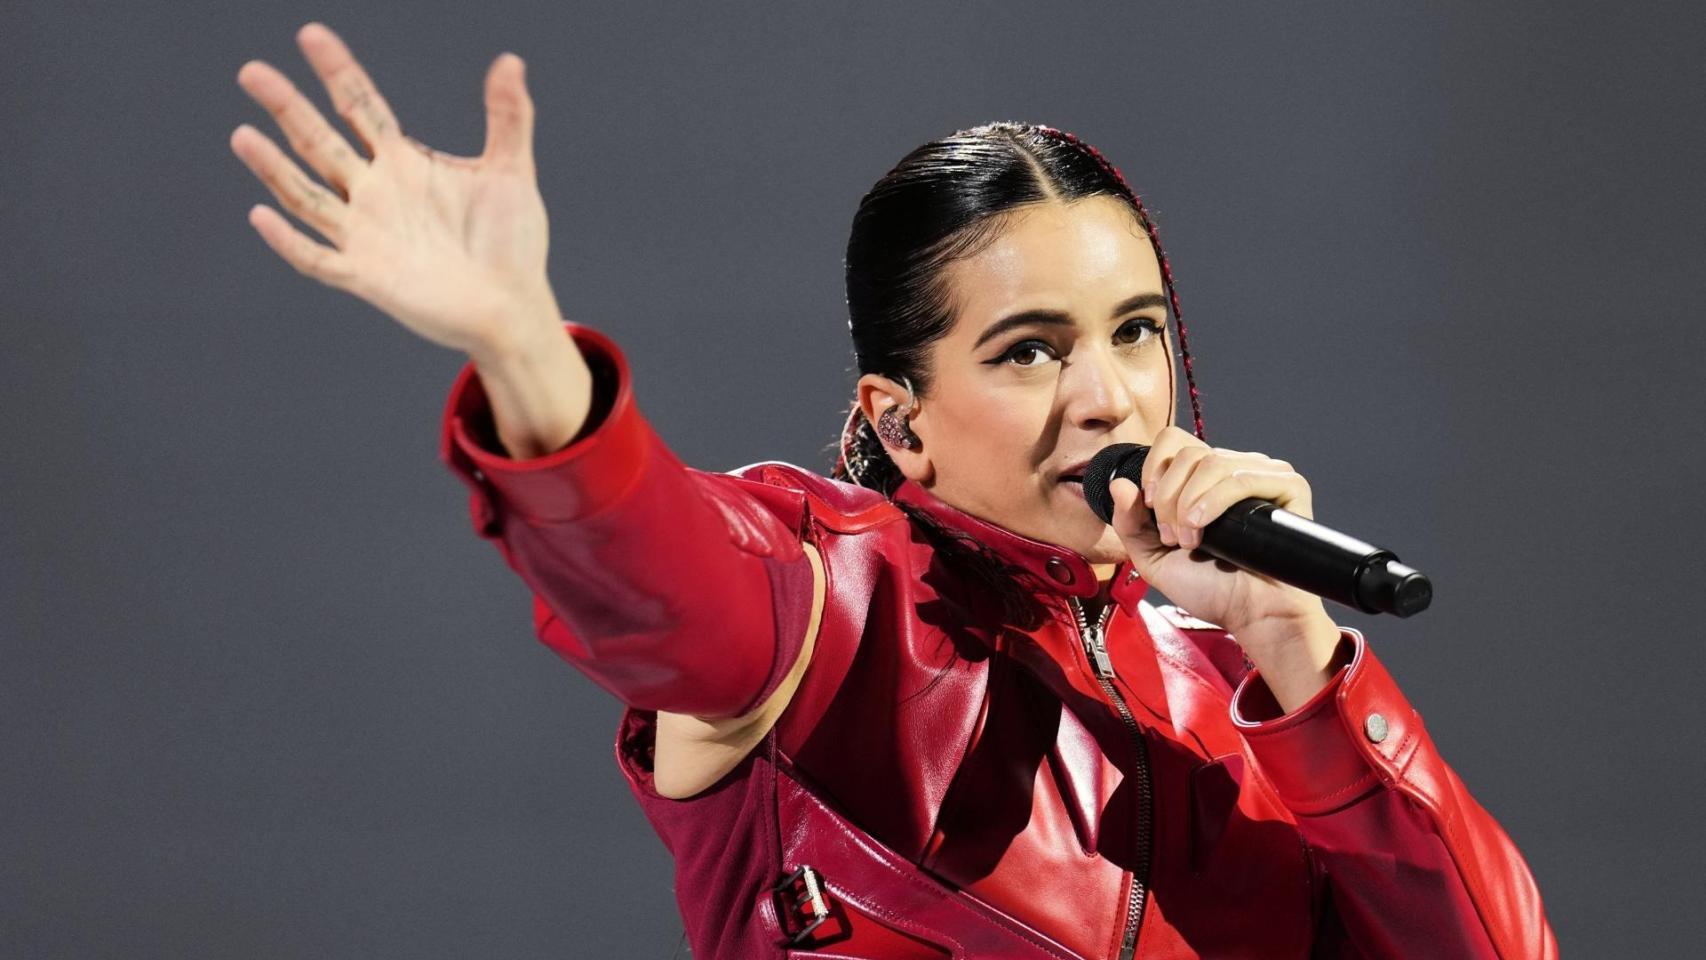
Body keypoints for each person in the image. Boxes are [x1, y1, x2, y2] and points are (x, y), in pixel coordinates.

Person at [232, 22, 1558, 959]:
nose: (1107, 396)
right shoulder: (829, 600)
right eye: (1031, 350)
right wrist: (523, 350)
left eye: (1135, 331)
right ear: (898, 422)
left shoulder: (1247, 688)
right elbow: (651, 583)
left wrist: (1295, 650)